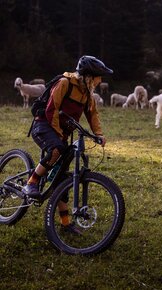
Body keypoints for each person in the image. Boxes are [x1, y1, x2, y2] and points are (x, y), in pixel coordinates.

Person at [23, 55, 113, 233]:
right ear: (88, 76)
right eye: (98, 77)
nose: (100, 80)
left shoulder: (88, 94)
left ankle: (65, 224)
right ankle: (31, 182)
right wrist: (58, 133)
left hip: (60, 133)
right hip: (43, 125)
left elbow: (92, 115)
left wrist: (99, 134)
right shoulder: (65, 83)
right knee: (56, 149)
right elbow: (51, 109)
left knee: (61, 177)